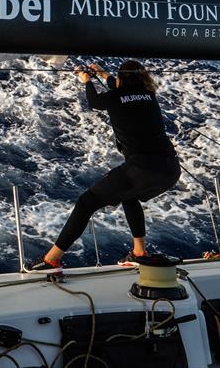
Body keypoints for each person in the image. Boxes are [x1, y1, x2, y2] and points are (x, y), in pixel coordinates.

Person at [29, 60, 181, 272]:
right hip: (171, 169)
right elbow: (118, 87)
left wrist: (87, 81)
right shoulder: (148, 95)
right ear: (141, 77)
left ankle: (51, 260)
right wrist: (100, 73)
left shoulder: (115, 97)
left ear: (121, 79)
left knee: (86, 203)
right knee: (129, 196)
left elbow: (95, 101)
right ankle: (139, 253)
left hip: (142, 168)